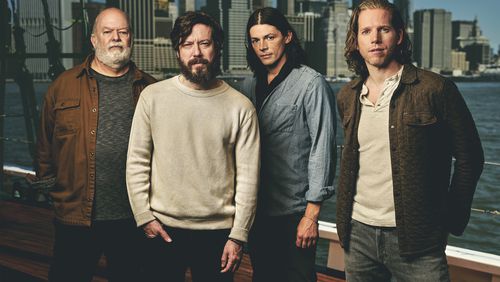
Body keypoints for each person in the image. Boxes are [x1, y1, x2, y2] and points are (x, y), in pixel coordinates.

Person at [336, 0, 485, 281]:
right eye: (366, 31)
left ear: (400, 35)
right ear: (356, 41)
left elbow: (470, 157)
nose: (375, 38)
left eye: (384, 29)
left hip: (419, 238)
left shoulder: (436, 89)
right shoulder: (347, 96)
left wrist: (450, 217)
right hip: (358, 234)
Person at [126, 11, 260, 282]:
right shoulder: (152, 97)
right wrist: (144, 217)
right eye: (187, 44)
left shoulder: (241, 107)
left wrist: (238, 235)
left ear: (217, 48)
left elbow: (248, 178)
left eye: (205, 43)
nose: (196, 52)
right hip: (162, 228)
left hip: (219, 234)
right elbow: (137, 161)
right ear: (177, 51)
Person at [35, 7, 157, 282]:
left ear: (131, 38)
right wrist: (54, 196)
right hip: (75, 217)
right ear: (94, 39)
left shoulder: (152, 89)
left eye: (122, 32)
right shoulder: (63, 86)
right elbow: (45, 145)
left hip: (133, 218)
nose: (116, 38)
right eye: (108, 32)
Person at [241, 7, 337, 282]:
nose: (262, 47)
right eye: (256, 40)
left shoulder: (311, 83)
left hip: (294, 213)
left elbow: (323, 147)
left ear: (287, 37)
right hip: (257, 210)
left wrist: (311, 215)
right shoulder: (249, 85)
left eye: (269, 37)